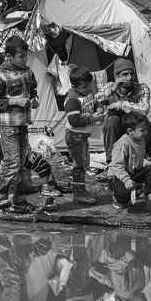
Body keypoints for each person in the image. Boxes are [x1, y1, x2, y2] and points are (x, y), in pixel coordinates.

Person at [0, 35, 37, 213]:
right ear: (9, 56)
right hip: (8, 125)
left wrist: (34, 100)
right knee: (12, 162)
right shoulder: (1, 76)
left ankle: (18, 201)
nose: (24, 59)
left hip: (23, 123)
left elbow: (33, 91)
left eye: (25, 56)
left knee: (21, 163)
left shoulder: (28, 72)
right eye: (21, 56)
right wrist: (16, 102)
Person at [105, 112, 151, 213]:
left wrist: (149, 164)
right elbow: (117, 166)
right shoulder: (123, 143)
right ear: (130, 131)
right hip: (118, 176)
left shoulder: (140, 140)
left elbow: (138, 159)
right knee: (123, 194)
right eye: (142, 130)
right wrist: (126, 180)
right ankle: (118, 198)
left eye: (146, 129)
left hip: (132, 173)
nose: (145, 132)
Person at [62, 66, 102, 206]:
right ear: (74, 85)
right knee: (79, 164)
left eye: (90, 85)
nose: (88, 88)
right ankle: (78, 193)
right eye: (85, 86)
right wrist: (92, 118)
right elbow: (74, 120)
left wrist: (99, 109)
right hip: (75, 136)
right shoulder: (72, 100)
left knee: (84, 162)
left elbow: (94, 104)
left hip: (83, 136)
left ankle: (81, 189)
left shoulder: (87, 95)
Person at [97, 58, 151, 156]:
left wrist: (120, 104)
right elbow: (96, 100)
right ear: (116, 76)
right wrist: (113, 89)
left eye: (132, 74)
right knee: (112, 120)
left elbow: (144, 110)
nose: (130, 77)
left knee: (143, 123)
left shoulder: (142, 88)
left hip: (135, 128)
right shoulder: (110, 86)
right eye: (125, 74)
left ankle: (138, 155)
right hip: (117, 129)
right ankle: (112, 160)